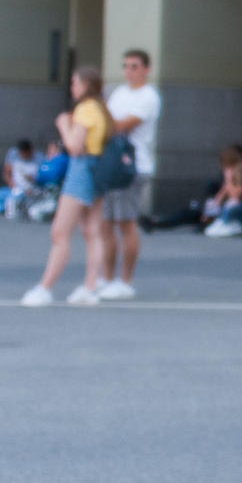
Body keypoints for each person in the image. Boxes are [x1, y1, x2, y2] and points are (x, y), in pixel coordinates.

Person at [22, 66, 114, 307]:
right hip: (97, 168)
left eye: (74, 83)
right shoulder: (101, 110)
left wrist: (63, 124)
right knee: (92, 230)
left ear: (85, 85)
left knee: (60, 232)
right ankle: (90, 285)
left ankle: (45, 287)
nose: (72, 88)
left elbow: (74, 146)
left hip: (82, 169)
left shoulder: (85, 109)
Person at [100, 48, 161, 298]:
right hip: (112, 164)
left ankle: (126, 281)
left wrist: (102, 124)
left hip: (133, 165)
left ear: (146, 69)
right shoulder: (119, 93)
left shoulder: (148, 96)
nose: (129, 71)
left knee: (126, 223)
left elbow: (120, 125)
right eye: (126, 66)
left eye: (135, 66)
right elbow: (106, 120)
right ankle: (107, 278)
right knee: (106, 223)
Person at [200, 144, 242, 236]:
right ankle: (221, 222)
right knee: (226, 204)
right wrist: (209, 211)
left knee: (233, 203)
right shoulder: (232, 176)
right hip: (240, 213)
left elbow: (236, 197)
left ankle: (223, 222)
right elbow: (220, 197)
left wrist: (228, 180)